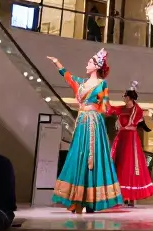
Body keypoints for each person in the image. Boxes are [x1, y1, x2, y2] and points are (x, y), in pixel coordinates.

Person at [48, 51, 123, 213]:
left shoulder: (102, 84)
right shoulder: (81, 83)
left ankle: (91, 200)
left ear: (96, 66)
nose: (86, 64)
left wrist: (118, 113)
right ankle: (78, 198)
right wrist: (57, 62)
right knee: (79, 155)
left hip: (93, 123)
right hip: (82, 123)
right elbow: (68, 77)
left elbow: (106, 106)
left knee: (93, 158)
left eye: (89, 62)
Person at [108, 82, 153, 206]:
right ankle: (120, 194)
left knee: (129, 164)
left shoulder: (137, 110)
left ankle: (131, 196)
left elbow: (134, 122)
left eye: (125, 96)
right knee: (119, 163)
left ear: (129, 97)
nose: (124, 98)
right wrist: (104, 99)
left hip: (130, 139)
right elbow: (111, 109)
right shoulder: (122, 108)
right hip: (121, 138)